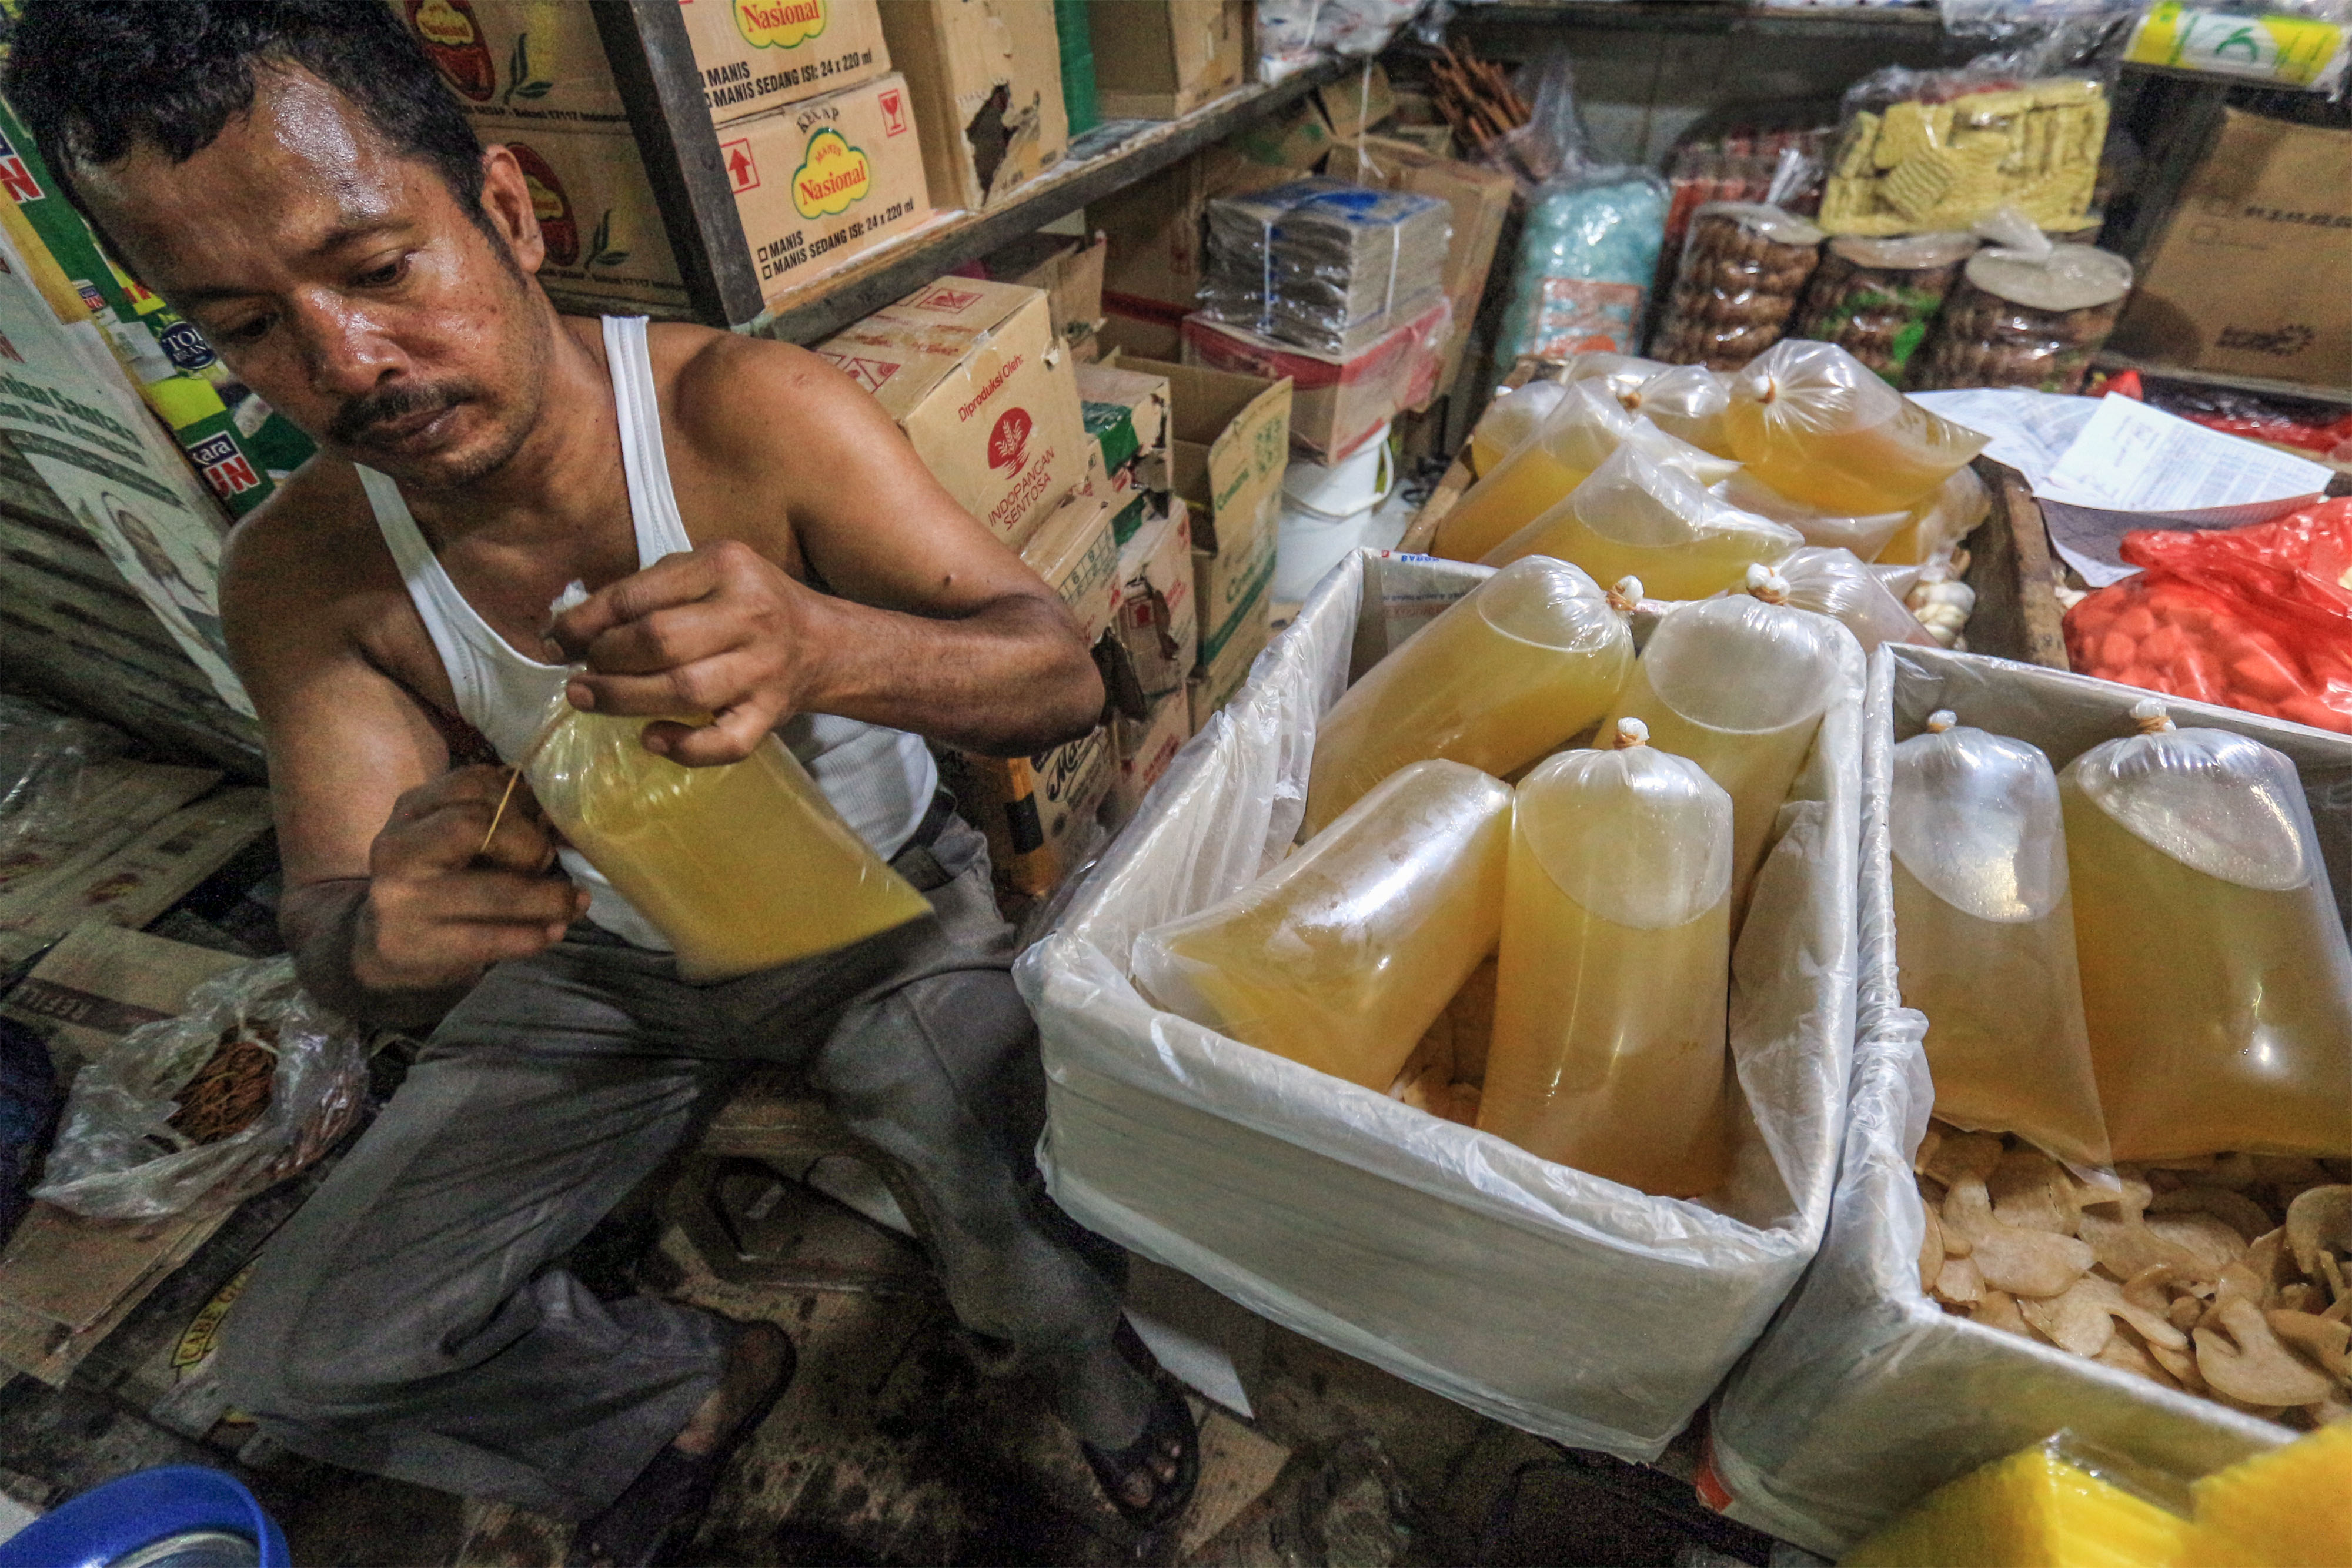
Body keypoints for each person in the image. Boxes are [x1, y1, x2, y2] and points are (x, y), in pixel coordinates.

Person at [2, 2, 1197, 1561]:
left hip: (880, 926)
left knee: (1027, 1263)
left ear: (504, 211)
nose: (344, 361)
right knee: (304, 1355)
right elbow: (328, 916)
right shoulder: (306, 571)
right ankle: (688, 1378)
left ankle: (1095, 1364)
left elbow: (1055, 672)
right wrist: (382, 937)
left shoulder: (741, 419)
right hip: (602, 970)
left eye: (378, 270)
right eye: (243, 325)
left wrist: (827, 643)